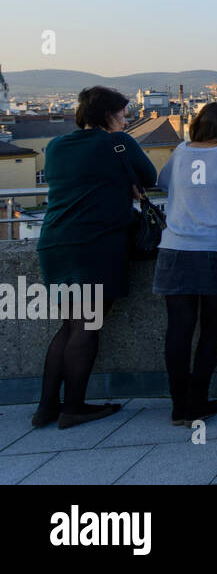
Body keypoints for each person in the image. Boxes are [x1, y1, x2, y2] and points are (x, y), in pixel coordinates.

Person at [35, 86, 157, 429]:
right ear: (108, 115)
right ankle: (73, 408)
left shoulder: (57, 146)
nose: (125, 119)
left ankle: (46, 407)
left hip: (55, 241)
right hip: (96, 243)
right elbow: (149, 178)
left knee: (69, 325)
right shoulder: (119, 143)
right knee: (87, 326)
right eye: (122, 113)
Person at [153, 102, 217, 425]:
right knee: (212, 329)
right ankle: (197, 401)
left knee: (178, 330)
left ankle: (178, 405)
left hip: (173, 249)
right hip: (214, 250)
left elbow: (163, 183)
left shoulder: (182, 151)